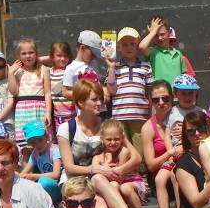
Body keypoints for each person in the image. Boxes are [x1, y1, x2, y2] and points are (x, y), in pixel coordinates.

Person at [57, 79, 124, 208]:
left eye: (100, 99)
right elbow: (69, 168)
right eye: (94, 99)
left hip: (99, 181)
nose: (100, 103)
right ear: (81, 102)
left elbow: (134, 155)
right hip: (73, 181)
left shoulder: (106, 125)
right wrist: (96, 169)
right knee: (98, 195)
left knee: (100, 197)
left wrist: (120, 169)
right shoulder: (66, 128)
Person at [141, 80, 182, 208]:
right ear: (150, 101)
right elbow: (151, 165)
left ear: (172, 98)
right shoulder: (148, 128)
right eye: (156, 99)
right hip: (161, 178)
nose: (161, 103)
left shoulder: (182, 118)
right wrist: (169, 153)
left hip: (182, 172)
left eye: (165, 98)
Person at [92, 118, 148, 208]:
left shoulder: (124, 152)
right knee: (114, 185)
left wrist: (114, 167)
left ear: (122, 138)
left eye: (116, 139)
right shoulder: (97, 157)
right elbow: (95, 172)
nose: (113, 142)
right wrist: (107, 162)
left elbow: (120, 178)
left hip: (132, 183)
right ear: (102, 139)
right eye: (109, 139)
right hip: (114, 187)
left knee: (124, 187)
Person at [110, 26, 154, 157]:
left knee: (140, 152)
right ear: (119, 47)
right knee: (122, 153)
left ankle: (142, 171)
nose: (129, 48)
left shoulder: (146, 67)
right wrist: (111, 67)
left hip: (140, 117)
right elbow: (111, 90)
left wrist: (150, 115)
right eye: (124, 45)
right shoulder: (114, 67)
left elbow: (149, 93)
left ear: (138, 45)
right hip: (119, 117)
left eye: (132, 44)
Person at [8, 38, 52, 150]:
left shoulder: (43, 69)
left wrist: (48, 113)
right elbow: (13, 91)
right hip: (23, 111)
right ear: (19, 56)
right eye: (24, 53)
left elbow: (47, 93)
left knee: (42, 142)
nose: (27, 56)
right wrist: (10, 73)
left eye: (31, 52)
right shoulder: (17, 71)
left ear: (36, 54)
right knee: (26, 146)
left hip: (39, 108)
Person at [63, 30, 114, 101]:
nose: (95, 56)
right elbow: (65, 92)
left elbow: (98, 83)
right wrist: (87, 94)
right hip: (84, 107)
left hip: (98, 106)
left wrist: (103, 90)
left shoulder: (94, 64)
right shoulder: (71, 68)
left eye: (96, 54)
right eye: (93, 53)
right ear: (82, 48)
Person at [19, 121, 62, 203]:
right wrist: (18, 177)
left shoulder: (54, 150)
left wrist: (33, 176)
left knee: (43, 182)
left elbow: (56, 175)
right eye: (33, 142)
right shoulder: (34, 153)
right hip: (44, 187)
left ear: (47, 137)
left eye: (40, 140)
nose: (38, 145)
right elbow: (24, 172)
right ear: (28, 143)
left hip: (58, 186)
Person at [139, 16, 187, 86]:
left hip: (176, 93)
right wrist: (153, 32)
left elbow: (184, 77)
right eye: (156, 35)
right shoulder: (153, 52)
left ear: (169, 32)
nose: (159, 38)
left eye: (162, 34)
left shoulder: (178, 54)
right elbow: (142, 47)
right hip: (160, 93)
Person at [46, 42, 75, 131]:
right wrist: (50, 57)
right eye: (59, 55)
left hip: (73, 114)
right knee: (61, 137)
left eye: (65, 56)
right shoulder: (49, 72)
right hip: (58, 116)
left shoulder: (71, 70)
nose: (62, 59)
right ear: (52, 57)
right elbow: (37, 60)